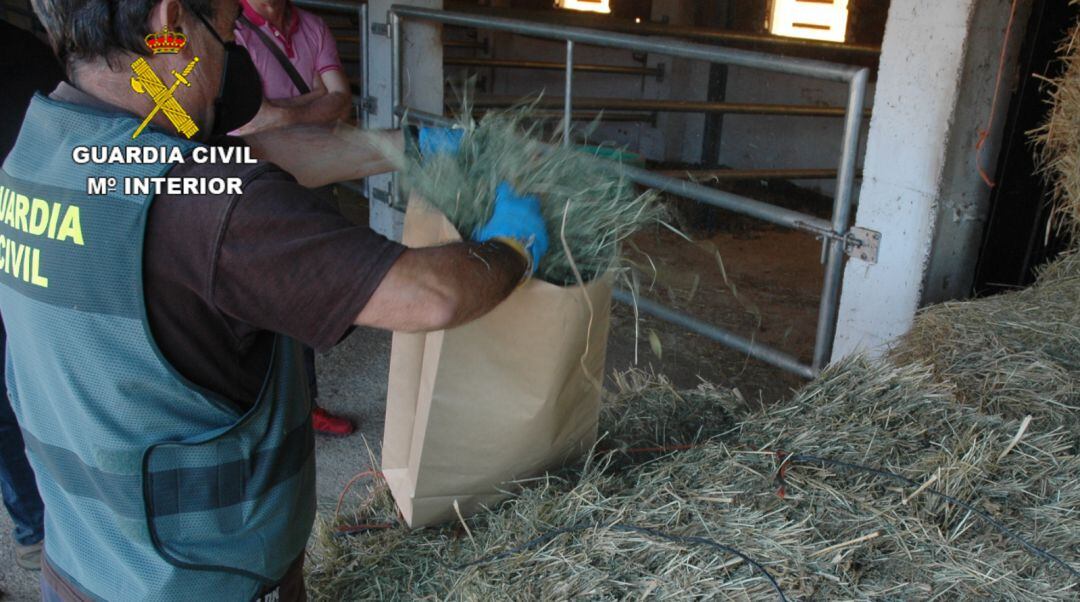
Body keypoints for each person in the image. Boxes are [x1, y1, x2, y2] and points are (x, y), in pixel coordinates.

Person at [2, 0, 548, 600]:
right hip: (203, 582)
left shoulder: (47, 151)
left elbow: (246, 157)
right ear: (170, 28)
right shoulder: (209, 212)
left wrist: (411, 146)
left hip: (86, 567)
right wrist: (511, 247)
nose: (233, 58)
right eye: (228, 31)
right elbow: (429, 296)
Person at [234, 0, 357, 436]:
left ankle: (306, 403)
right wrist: (310, 103)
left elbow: (341, 102)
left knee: (303, 290)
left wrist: (281, 112)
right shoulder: (231, 30)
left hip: (313, 176)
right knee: (251, 297)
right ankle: (257, 413)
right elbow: (247, 116)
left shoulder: (314, 26)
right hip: (256, 179)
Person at [0, 18, 64, 573]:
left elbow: (186, 127)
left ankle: (44, 527)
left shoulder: (40, 50)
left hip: (35, 239)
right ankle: (36, 527)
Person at [231, 0, 352, 136]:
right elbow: (249, 118)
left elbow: (343, 105)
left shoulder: (315, 26)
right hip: (255, 155)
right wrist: (316, 96)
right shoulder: (230, 30)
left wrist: (285, 117)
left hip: (311, 152)